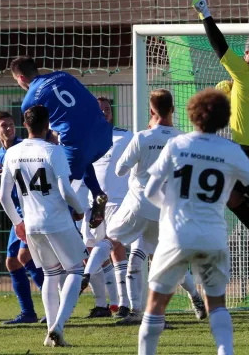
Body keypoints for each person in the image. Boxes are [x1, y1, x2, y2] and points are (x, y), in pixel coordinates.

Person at [138, 89, 249, 355]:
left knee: (155, 305)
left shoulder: (177, 144)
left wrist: (170, 207)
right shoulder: (231, 150)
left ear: (192, 114)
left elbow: (150, 190)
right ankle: (225, 351)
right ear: (225, 118)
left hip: (176, 236)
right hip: (212, 238)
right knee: (217, 304)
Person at [83, 89, 207, 325]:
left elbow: (120, 169)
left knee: (111, 239)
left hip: (138, 205)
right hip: (165, 210)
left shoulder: (141, 137)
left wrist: (139, 169)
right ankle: (187, 299)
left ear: (151, 111)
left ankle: (87, 274)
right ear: (172, 110)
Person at [192, 0, 249, 293]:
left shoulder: (247, 74)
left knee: (229, 197)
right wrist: (228, 92)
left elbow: (219, 46)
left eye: (248, 51)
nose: (242, 54)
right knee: (241, 201)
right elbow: (244, 108)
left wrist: (205, 14)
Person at [0, 105, 87, 347]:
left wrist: (18, 223)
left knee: (50, 273)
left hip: (32, 224)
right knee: (75, 270)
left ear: (24, 125)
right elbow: (65, 190)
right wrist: (80, 210)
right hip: (56, 220)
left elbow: (5, 197)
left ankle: (51, 333)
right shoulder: (53, 150)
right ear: (48, 124)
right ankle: (57, 326)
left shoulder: (12, 153)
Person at [10, 56, 112, 227]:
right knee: (81, 155)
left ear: (20, 78)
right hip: (104, 134)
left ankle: (70, 222)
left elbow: (40, 135)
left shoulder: (29, 101)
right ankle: (96, 193)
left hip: (77, 144)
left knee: (58, 190)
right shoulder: (63, 76)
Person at [77, 96, 134, 318]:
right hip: (93, 204)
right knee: (89, 250)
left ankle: (124, 303)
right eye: (100, 110)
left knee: (117, 248)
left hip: (119, 203)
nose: (105, 113)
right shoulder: (84, 140)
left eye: (108, 109)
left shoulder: (125, 136)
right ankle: (102, 305)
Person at [0, 111, 45, 325]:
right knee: (12, 262)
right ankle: (28, 313)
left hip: (31, 210)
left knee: (23, 258)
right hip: (17, 214)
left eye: (11, 124)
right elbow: (9, 187)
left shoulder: (25, 148)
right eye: (4, 125)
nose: (9, 128)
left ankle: (54, 305)